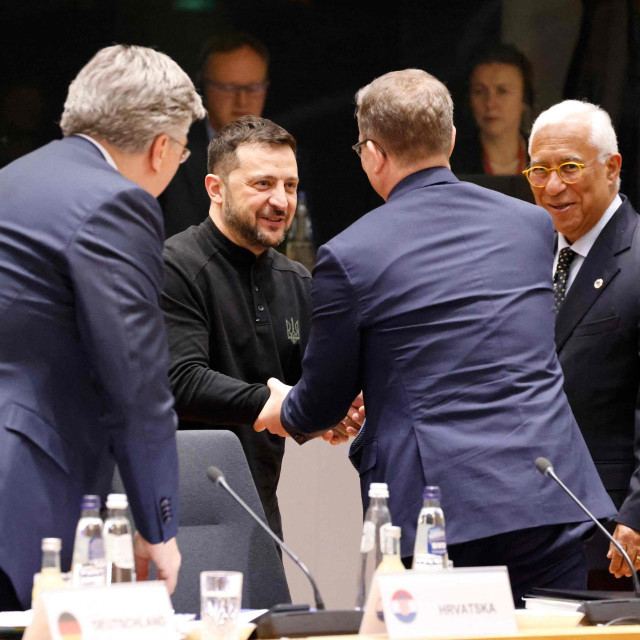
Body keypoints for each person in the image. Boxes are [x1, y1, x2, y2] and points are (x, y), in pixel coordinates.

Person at [254, 69, 615, 604]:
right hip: (549, 494)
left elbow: (321, 403)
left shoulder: (351, 256)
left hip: (440, 512)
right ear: (449, 139)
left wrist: (280, 407)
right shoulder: (530, 226)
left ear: (372, 153)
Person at [0, 44, 206, 611]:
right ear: (162, 148)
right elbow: (136, 382)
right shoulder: (116, 202)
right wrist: (158, 527)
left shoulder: (14, 180)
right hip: (16, 486)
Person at [161, 115, 361, 540]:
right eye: (262, 184)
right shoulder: (173, 265)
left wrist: (332, 413)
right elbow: (179, 380)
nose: (281, 201)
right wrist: (280, 408)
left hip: (258, 515)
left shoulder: (298, 281)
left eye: (289, 186)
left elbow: (305, 391)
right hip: (177, 514)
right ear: (215, 189)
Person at [526, 99, 640, 587]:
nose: (553, 187)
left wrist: (638, 512)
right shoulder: (525, 256)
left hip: (612, 529)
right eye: (539, 170)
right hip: (526, 524)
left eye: (569, 168)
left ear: (612, 168)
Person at [160, 32, 270, 239]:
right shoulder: (172, 154)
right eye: (227, 88)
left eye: (253, 88)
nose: (242, 100)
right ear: (202, 85)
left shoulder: (285, 151)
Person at [452, 43, 534, 176]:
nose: (490, 103)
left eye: (502, 91)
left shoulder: (545, 158)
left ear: (524, 98)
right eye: (479, 91)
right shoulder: (451, 163)